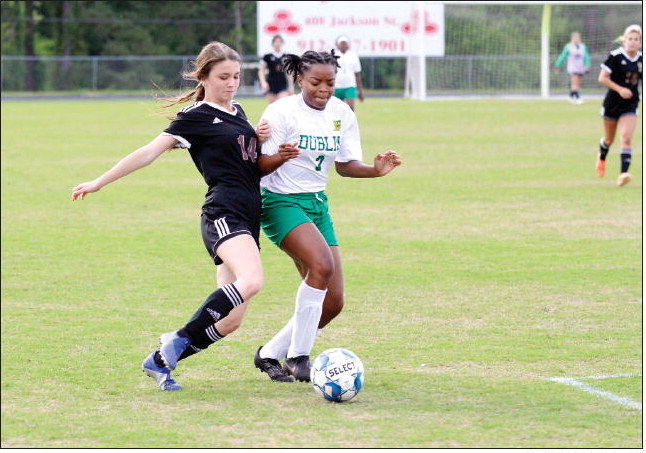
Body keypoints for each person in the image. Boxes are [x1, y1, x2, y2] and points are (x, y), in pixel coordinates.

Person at [71, 41, 282, 391]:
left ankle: (158, 361)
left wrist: (257, 140)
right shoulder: (194, 117)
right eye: (223, 77)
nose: (231, 83)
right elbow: (147, 152)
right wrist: (99, 181)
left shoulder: (239, 111)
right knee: (253, 280)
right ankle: (178, 337)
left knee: (231, 321)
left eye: (236, 76)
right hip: (223, 213)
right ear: (204, 77)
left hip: (248, 215)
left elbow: (247, 163)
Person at [252, 49, 402, 382]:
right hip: (280, 203)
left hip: (317, 204)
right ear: (299, 79)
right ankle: (298, 356)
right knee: (321, 266)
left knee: (333, 302)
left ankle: (269, 354)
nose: (323, 89)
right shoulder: (280, 112)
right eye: (315, 82)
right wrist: (280, 157)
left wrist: (375, 171)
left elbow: (346, 167)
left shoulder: (341, 113)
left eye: (330, 83)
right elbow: (258, 168)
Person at [596, 24, 642, 187]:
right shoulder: (615, 56)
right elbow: (602, 78)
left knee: (626, 138)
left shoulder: (641, 60)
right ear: (625, 40)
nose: (633, 42)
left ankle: (623, 174)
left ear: (640, 43)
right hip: (612, 105)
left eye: (636, 39)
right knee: (609, 139)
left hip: (630, 105)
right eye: (630, 39)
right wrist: (620, 89)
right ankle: (602, 157)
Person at [553, 31, 591, 104]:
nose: (576, 39)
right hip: (572, 67)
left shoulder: (583, 46)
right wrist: (557, 65)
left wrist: (587, 65)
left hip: (581, 67)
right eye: (575, 37)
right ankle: (577, 98)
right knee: (574, 82)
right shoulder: (568, 46)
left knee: (578, 83)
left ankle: (571, 97)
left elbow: (586, 57)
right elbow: (563, 56)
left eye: (577, 37)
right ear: (572, 38)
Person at [258, 34, 293, 104]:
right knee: (272, 107)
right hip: (271, 83)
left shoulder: (286, 56)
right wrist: (263, 82)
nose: (278, 43)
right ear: (273, 43)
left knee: (282, 103)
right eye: (276, 41)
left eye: (280, 42)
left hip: (282, 83)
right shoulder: (267, 56)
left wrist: (291, 86)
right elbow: (261, 71)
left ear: (282, 43)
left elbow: (289, 72)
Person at [333, 36, 364, 111]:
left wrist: (360, 91)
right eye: (341, 44)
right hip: (337, 86)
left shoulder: (353, 56)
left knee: (350, 107)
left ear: (348, 45)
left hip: (350, 85)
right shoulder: (334, 56)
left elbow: (357, 75)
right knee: (337, 110)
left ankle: (350, 123)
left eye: (345, 43)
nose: (343, 45)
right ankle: (338, 123)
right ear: (338, 45)